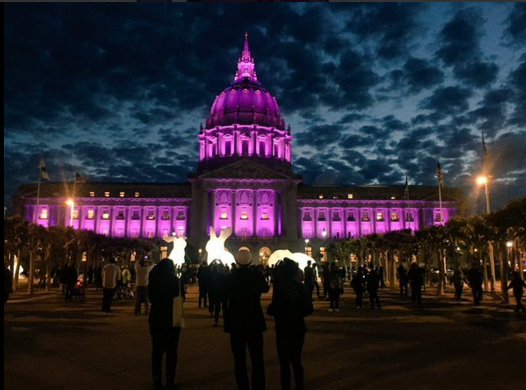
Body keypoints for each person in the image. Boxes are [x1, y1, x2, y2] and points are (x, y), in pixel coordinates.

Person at [224, 249, 270, 390]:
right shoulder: (256, 276)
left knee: (239, 360)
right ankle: (258, 386)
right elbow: (266, 289)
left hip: (236, 321)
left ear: (237, 261)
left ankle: (243, 387)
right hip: (254, 320)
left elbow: (223, 292)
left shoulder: (230, 277)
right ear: (250, 261)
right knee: (257, 359)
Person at [268, 259, 313, 390]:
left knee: (284, 363)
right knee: (296, 360)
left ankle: (285, 386)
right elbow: (309, 308)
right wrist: (298, 314)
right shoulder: (302, 287)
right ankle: (300, 386)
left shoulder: (280, 288)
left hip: (283, 328)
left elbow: (273, 308)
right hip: (298, 326)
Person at [148, 258, 185, 390]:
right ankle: (170, 379)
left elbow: (150, 298)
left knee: (157, 351)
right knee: (172, 352)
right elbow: (181, 297)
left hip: (156, 318)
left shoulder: (153, 280)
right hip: (172, 319)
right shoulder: (175, 280)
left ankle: (157, 379)